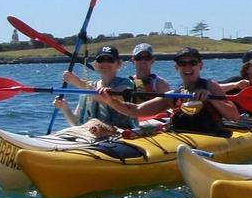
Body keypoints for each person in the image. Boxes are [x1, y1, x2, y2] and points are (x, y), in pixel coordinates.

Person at [98, 46, 239, 134]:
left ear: (200, 66)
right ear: (177, 68)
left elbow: (234, 117)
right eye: (182, 63)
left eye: (192, 63)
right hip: (182, 138)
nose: (187, 67)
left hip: (211, 136)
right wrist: (110, 101)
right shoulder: (173, 96)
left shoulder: (210, 86)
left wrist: (212, 100)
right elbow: (135, 110)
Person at [53, 45, 137, 137]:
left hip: (117, 135)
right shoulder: (88, 88)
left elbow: (110, 98)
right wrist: (65, 108)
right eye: (101, 60)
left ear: (118, 64)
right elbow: (76, 123)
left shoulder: (126, 84)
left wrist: (78, 82)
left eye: (110, 60)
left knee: (93, 122)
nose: (105, 63)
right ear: (96, 64)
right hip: (87, 135)